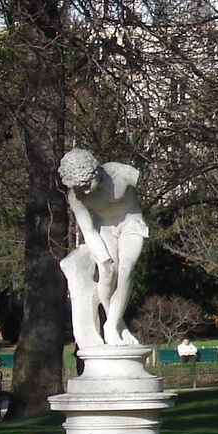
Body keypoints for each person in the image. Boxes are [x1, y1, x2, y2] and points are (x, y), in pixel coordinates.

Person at [58, 148, 147, 347]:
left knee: (126, 270)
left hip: (130, 223)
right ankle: (119, 326)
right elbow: (88, 230)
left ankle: (111, 325)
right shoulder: (76, 197)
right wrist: (103, 258)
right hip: (104, 229)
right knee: (109, 275)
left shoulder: (121, 174)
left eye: (88, 184)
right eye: (81, 188)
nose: (87, 191)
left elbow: (148, 176)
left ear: (96, 171)